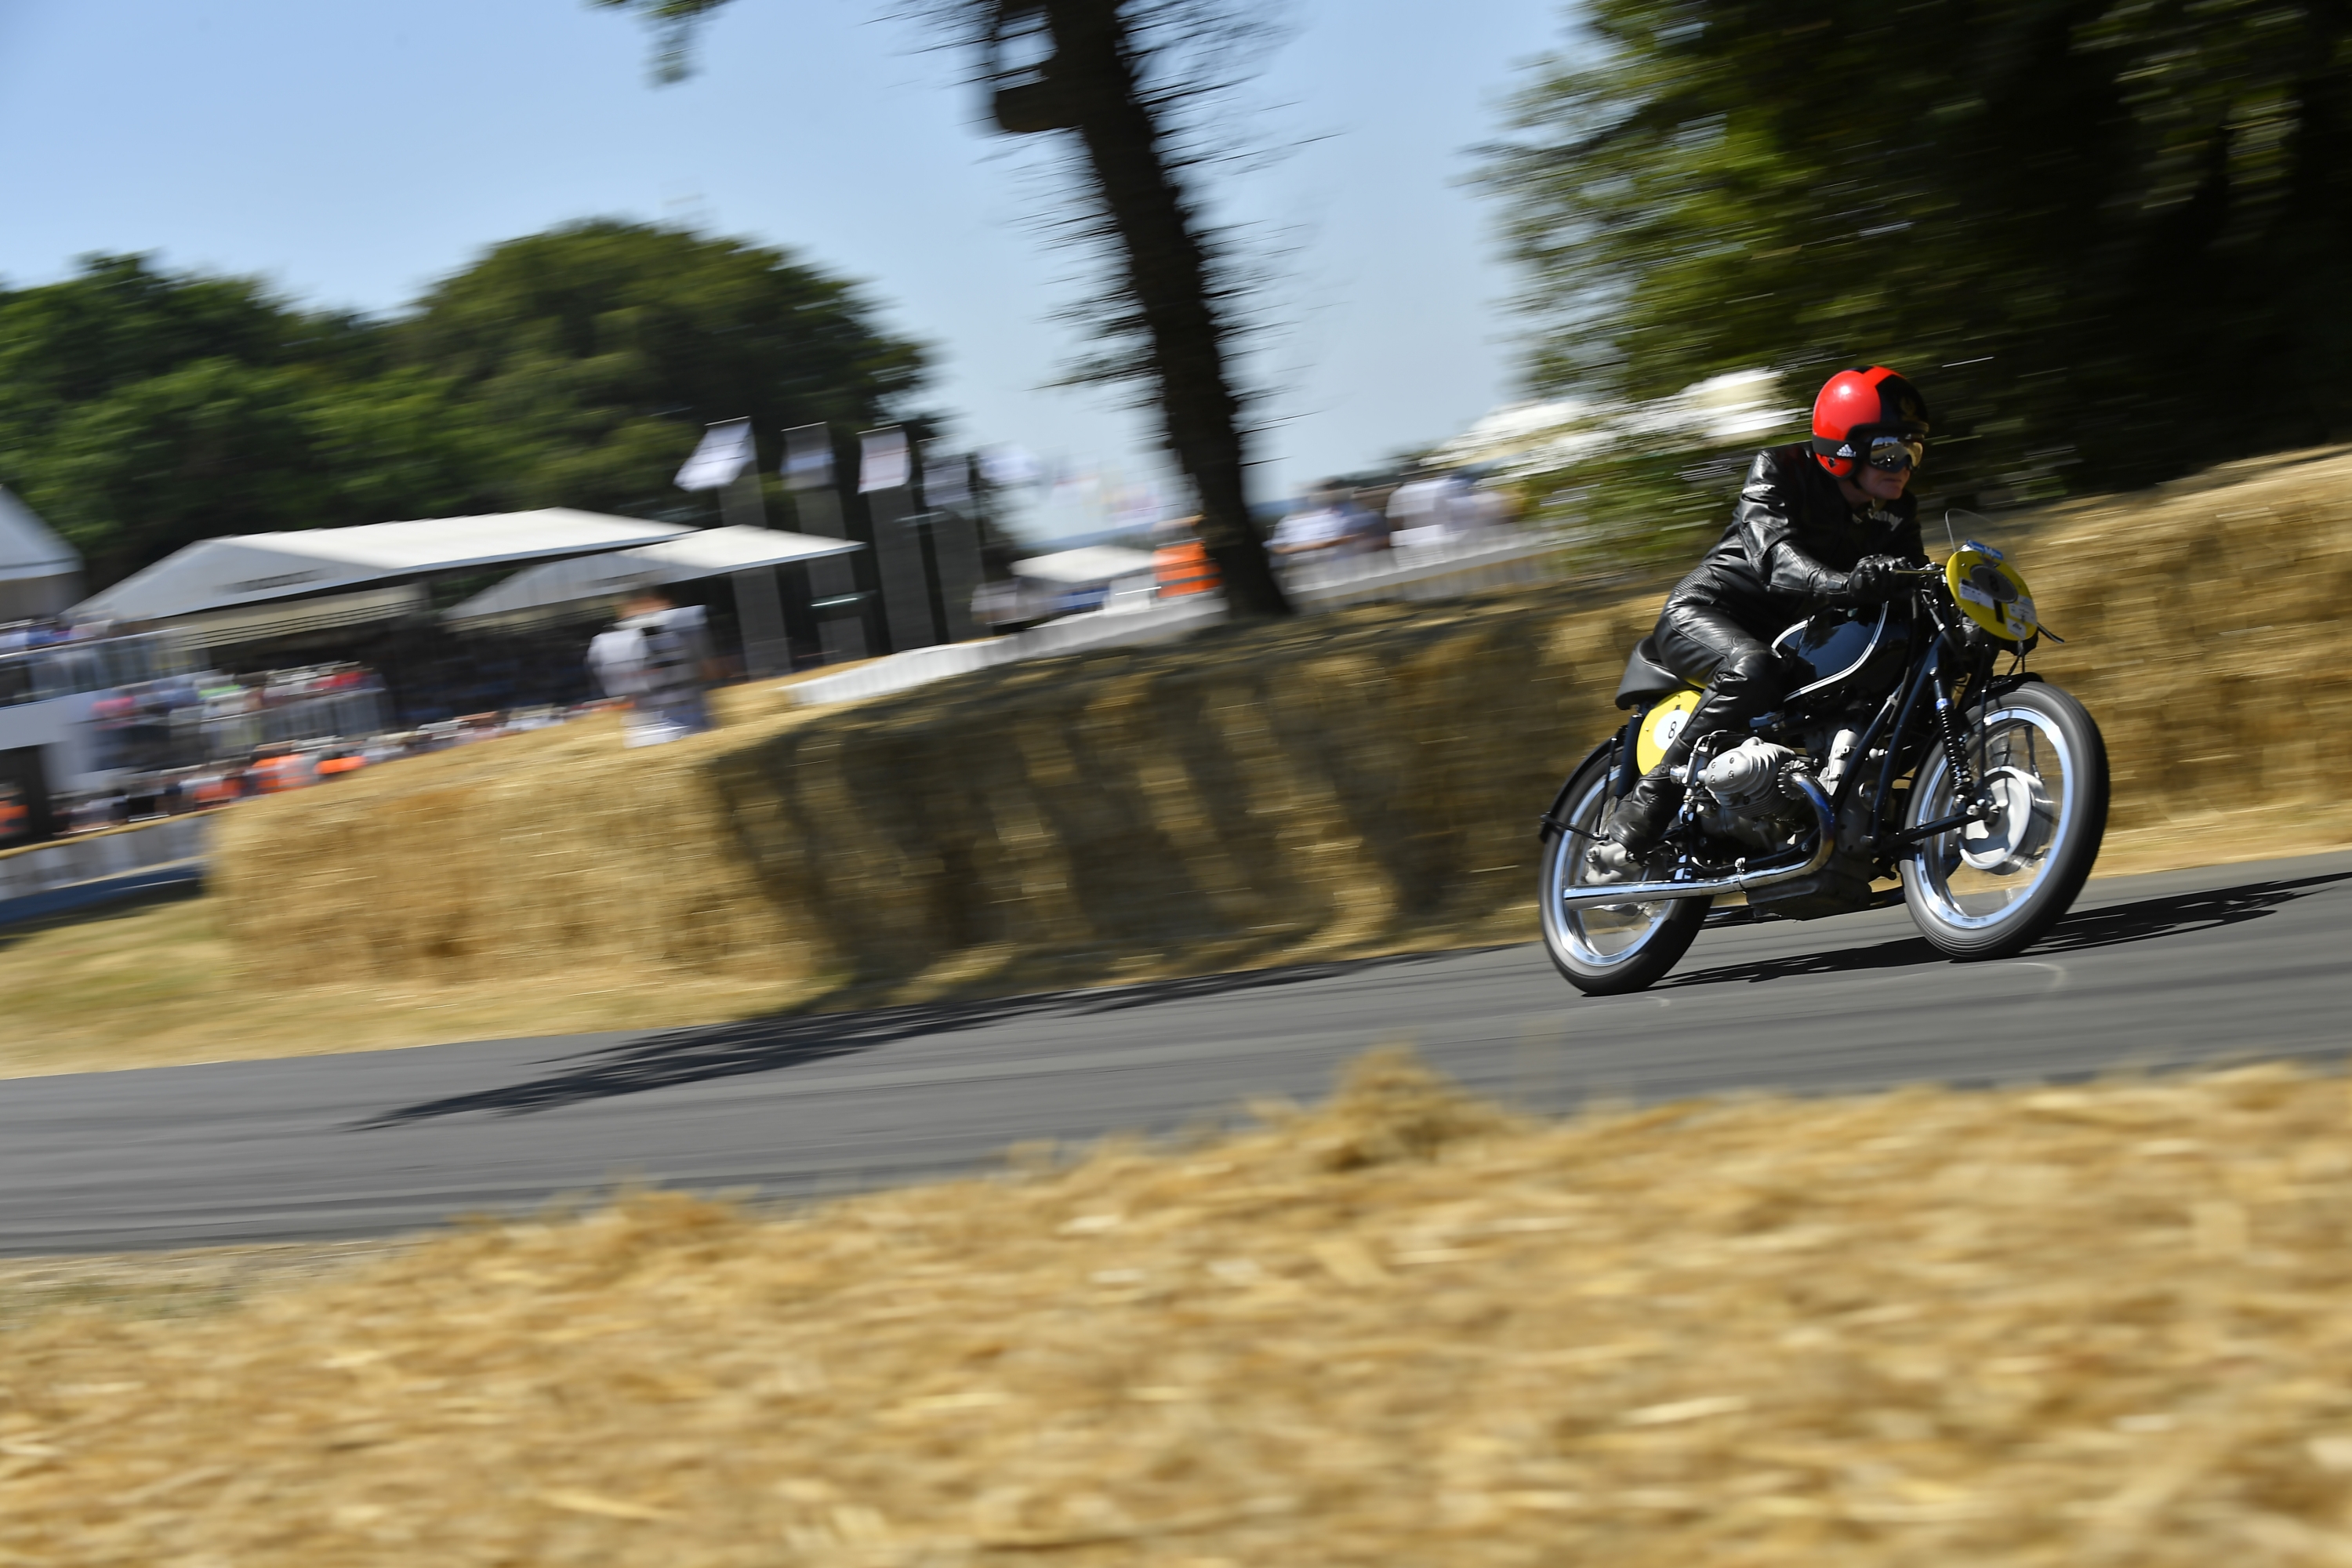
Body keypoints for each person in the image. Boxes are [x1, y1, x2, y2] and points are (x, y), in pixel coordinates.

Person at [1587, 366, 1932, 880]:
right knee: (1753, 668)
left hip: (1790, 639)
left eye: (1913, 452)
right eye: (1888, 452)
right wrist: (1846, 584)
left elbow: (1912, 578)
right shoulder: (1781, 469)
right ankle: (1646, 806)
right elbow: (1775, 558)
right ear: (1843, 448)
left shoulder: (1897, 512)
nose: (1902, 466)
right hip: (1706, 612)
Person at [586, 587, 716, 747]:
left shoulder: (604, 643)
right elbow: (710, 671)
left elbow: (620, 697)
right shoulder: (687, 626)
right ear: (653, 600)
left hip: (644, 733)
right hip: (694, 722)